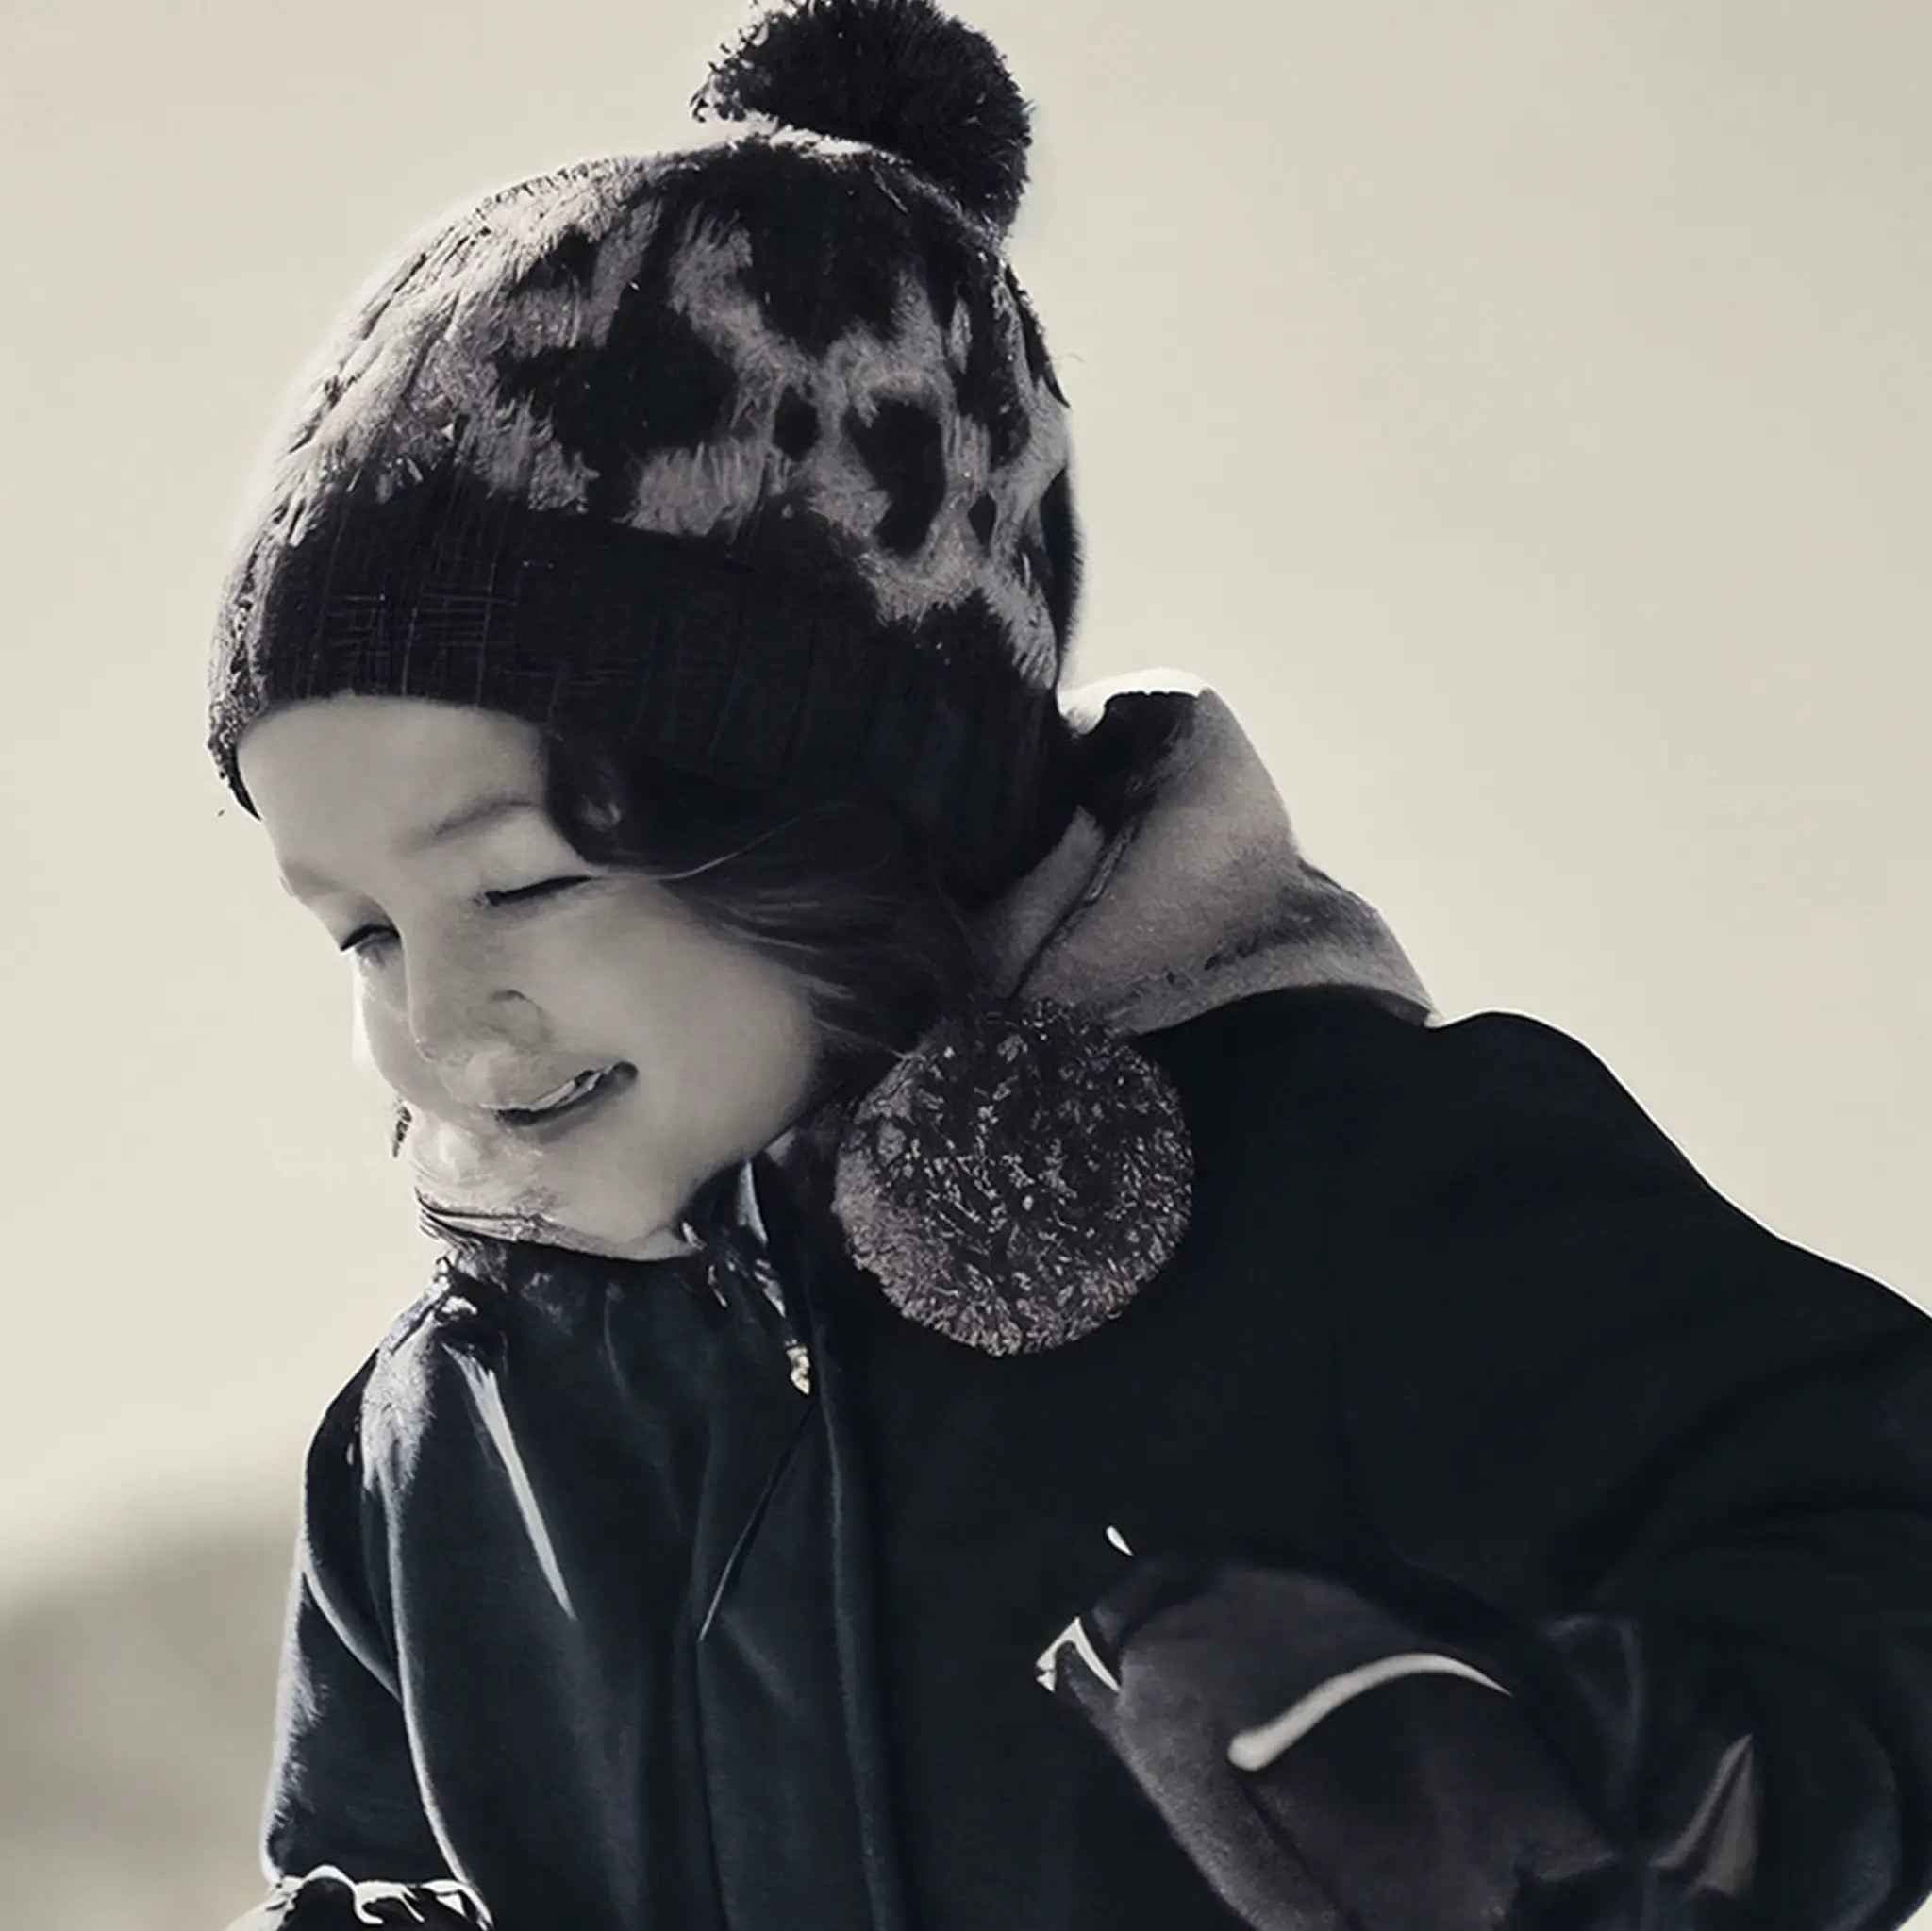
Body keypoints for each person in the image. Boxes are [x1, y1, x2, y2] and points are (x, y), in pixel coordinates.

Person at [208, 2, 1932, 1926]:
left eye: (516, 884)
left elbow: (1875, 1541)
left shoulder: (1351, 1190)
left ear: (842, 809)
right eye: (360, 929)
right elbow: (365, 1854)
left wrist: (1608, 1803)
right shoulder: (439, 1446)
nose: (436, 1025)